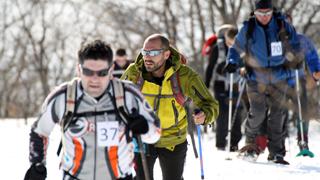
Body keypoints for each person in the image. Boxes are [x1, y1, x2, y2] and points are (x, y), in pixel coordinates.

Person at [24, 40, 161, 180]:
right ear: (79, 69)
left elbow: (155, 134)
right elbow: (39, 131)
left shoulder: (128, 95)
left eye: (102, 73)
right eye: (88, 72)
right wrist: (37, 164)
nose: (94, 79)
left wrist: (144, 128)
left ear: (111, 70)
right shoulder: (63, 96)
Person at [121, 34, 218, 180]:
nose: (147, 57)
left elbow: (210, 104)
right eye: (145, 52)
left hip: (173, 138)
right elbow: (118, 101)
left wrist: (205, 115)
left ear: (166, 54)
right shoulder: (134, 73)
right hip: (142, 137)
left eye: (153, 53)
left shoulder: (185, 75)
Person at [224, 0, 302, 164]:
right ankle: (250, 145)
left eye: (267, 13)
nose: (264, 17)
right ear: (255, 13)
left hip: (280, 76)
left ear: (272, 12)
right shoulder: (249, 28)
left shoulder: (282, 25)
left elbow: (295, 43)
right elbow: (235, 48)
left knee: (277, 115)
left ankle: (277, 153)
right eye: (260, 14)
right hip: (255, 77)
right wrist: (231, 61)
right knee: (258, 112)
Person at [204, 25, 244, 152]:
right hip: (220, 84)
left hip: (235, 83)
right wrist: (205, 86)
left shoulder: (241, 48)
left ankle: (234, 142)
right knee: (222, 113)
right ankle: (221, 142)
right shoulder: (218, 48)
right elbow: (210, 67)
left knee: (236, 112)